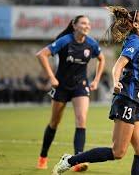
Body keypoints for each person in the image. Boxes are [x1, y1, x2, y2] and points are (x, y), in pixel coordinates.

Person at [51, 6, 139, 175]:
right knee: (118, 152)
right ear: (135, 24)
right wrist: (116, 82)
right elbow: (118, 66)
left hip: (136, 102)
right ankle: (70, 160)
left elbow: (136, 71)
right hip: (126, 99)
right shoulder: (134, 42)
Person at [35, 15, 105, 171]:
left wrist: (96, 80)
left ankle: (78, 160)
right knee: (55, 122)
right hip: (61, 86)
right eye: (83, 23)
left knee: (81, 120)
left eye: (89, 23)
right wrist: (51, 77)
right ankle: (43, 156)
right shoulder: (65, 40)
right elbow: (41, 54)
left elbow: (102, 58)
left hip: (80, 86)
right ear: (75, 25)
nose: (87, 26)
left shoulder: (91, 43)